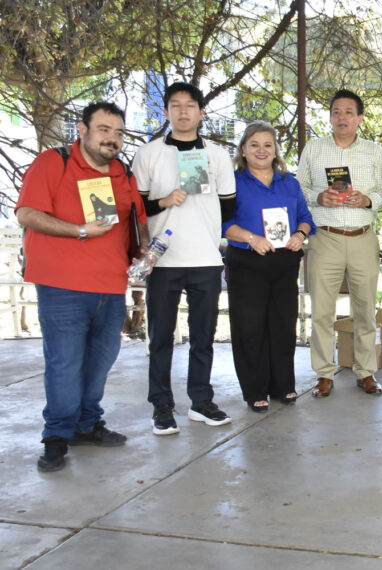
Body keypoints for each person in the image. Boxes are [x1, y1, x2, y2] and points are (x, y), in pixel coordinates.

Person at [17, 102, 148, 471]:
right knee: (65, 362)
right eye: (104, 129)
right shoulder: (54, 162)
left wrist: (144, 251)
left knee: (101, 361)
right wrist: (79, 230)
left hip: (111, 285)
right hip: (62, 286)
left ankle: (87, 424)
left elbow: (136, 218)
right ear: (82, 129)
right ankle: (56, 436)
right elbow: (27, 213)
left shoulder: (122, 172)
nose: (112, 139)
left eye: (118, 133)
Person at [133, 82, 235, 434]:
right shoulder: (148, 154)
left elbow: (228, 206)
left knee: (203, 336)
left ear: (201, 112)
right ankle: (161, 405)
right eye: (175, 105)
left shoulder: (216, 155)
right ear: (166, 112)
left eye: (190, 105)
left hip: (205, 258)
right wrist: (164, 201)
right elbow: (136, 208)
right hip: (163, 261)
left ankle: (201, 401)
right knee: (161, 337)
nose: (183, 111)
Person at [297, 89, 382, 397]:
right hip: (325, 238)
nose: (342, 117)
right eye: (336, 112)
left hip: (363, 238)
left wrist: (367, 200)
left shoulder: (374, 151)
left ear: (360, 118)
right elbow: (299, 188)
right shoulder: (314, 149)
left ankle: (366, 371)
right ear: (330, 117)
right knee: (322, 311)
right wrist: (317, 197)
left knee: (366, 310)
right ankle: (324, 373)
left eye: (349, 112)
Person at [222, 121, 314, 412]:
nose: (261, 150)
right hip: (247, 263)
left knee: (283, 326)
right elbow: (223, 223)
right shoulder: (232, 182)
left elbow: (306, 218)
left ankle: (283, 385)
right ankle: (255, 390)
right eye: (254, 145)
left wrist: (299, 235)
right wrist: (252, 239)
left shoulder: (289, 182)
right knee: (250, 329)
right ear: (243, 149)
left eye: (267, 145)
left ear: (275, 150)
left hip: (284, 263)